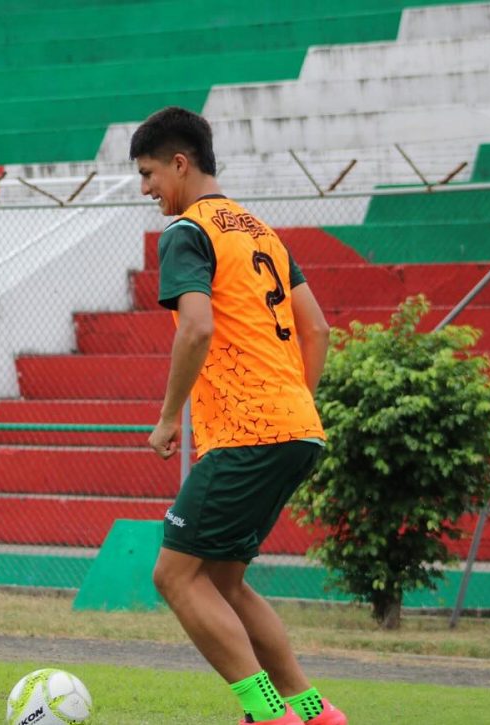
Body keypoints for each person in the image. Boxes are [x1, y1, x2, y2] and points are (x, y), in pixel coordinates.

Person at [131, 107, 346, 725]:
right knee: (223, 583)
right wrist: (291, 405)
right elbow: (319, 329)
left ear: (180, 163)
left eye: (148, 174)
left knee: (173, 575)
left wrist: (169, 417)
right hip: (297, 428)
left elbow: (196, 326)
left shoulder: (187, 233)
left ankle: (267, 712)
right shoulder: (260, 232)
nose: (146, 189)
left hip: (248, 432)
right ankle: (313, 710)